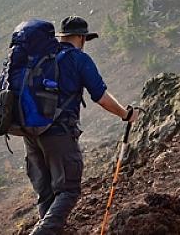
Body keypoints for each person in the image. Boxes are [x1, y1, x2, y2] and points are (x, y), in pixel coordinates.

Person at [25, 16, 139, 235]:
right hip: (58, 133)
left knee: (47, 194)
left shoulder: (44, 57)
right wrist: (126, 114)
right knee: (68, 191)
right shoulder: (79, 59)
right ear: (81, 37)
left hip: (31, 131)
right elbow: (101, 97)